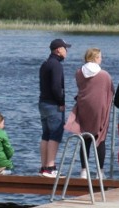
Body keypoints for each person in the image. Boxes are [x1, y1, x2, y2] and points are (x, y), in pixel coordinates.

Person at [66, 47, 114, 177]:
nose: (101, 59)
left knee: (85, 137)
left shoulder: (79, 72)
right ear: (95, 58)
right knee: (100, 137)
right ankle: (100, 172)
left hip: (84, 107)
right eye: (100, 57)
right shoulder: (104, 75)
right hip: (100, 108)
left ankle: (83, 171)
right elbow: (110, 91)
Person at [39, 38, 71, 177]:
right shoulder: (56, 65)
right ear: (58, 50)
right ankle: (51, 167)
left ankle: (44, 167)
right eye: (65, 48)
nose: (67, 51)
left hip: (43, 103)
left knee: (46, 135)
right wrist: (61, 102)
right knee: (55, 134)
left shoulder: (45, 64)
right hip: (53, 105)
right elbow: (56, 87)